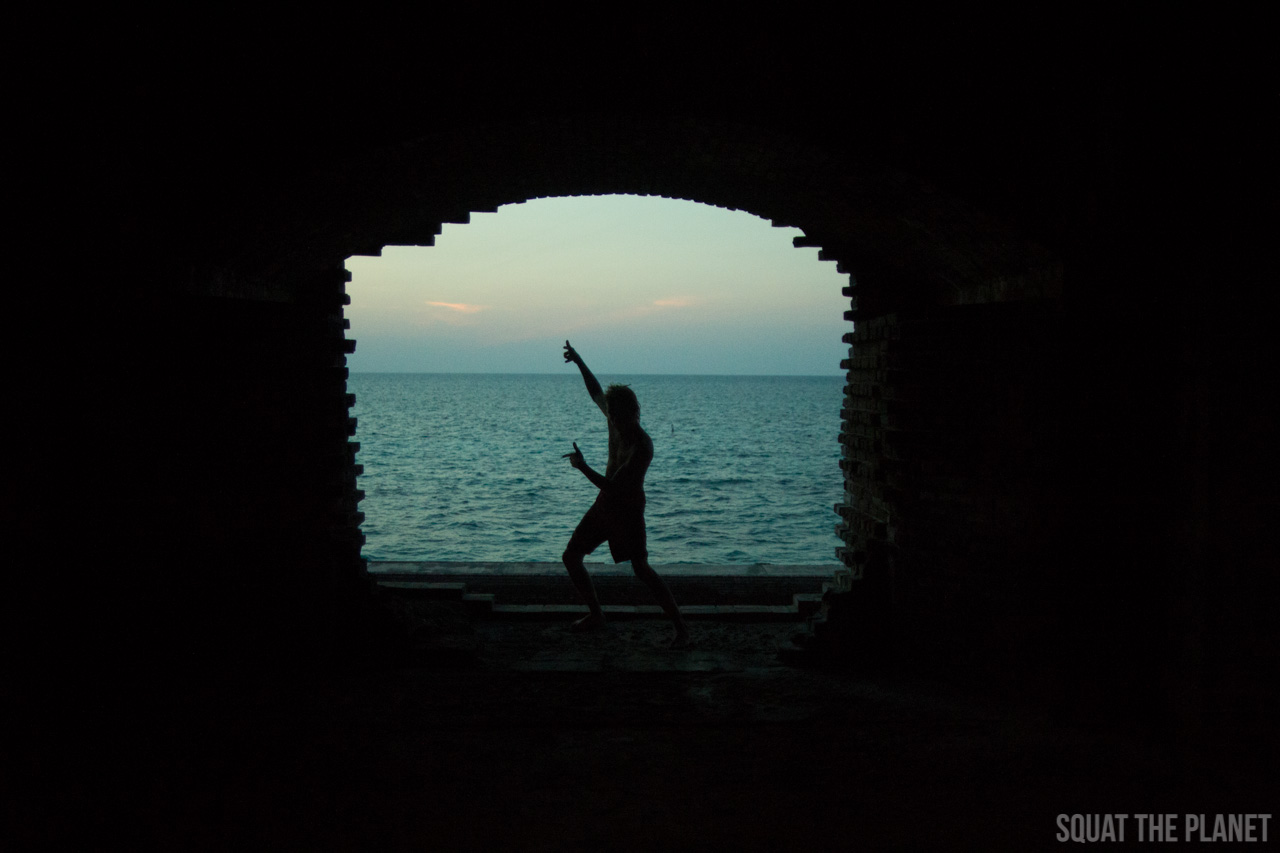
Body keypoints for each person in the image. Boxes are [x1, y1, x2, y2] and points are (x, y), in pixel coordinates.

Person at [561, 341, 691, 648]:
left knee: (641, 568)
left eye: (620, 417)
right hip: (605, 506)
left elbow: (616, 487)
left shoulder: (642, 447)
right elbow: (595, 391)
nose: (615, 422)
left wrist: (581, 466)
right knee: (571, 556)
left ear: (635, 412)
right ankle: (596, 615)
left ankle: (681, 628)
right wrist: (579, 360)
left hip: (628, 510)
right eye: (612, 416)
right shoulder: (614, 417)